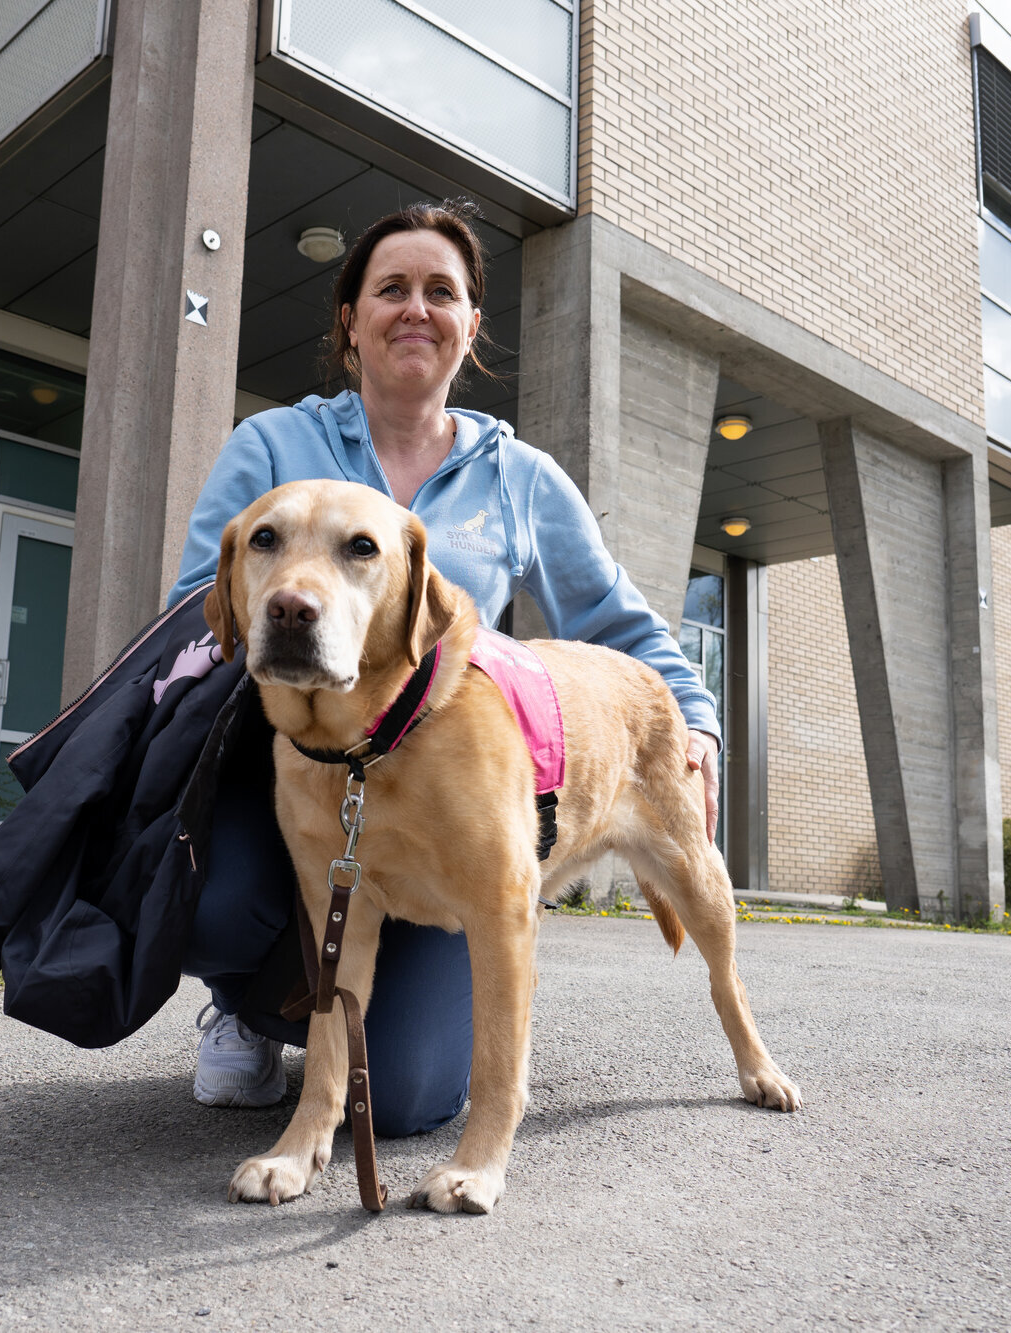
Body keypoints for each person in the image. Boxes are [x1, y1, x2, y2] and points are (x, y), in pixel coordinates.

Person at [165, 200, 721, 1133]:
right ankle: (252, 1011)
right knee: (209, 904)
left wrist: (695, 725)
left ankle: (339, 1016)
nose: (415, 308)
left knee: (413, 1099)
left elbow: (613, 618)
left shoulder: (521, 478)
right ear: (351, 320)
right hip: (297, 781)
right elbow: (199, 606)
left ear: (471, 326)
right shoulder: (273, 445)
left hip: (434, 800)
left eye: (441, 292)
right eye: (390, 288)